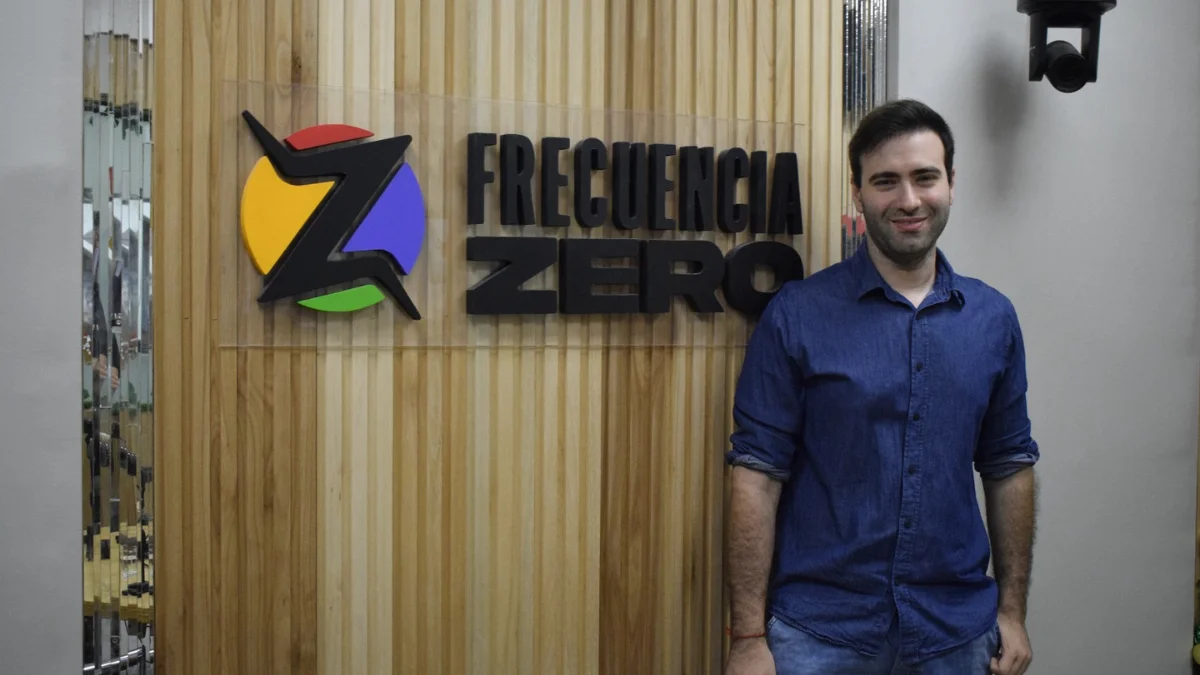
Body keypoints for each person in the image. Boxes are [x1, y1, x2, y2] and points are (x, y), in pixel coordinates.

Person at [722, 99, 1039, 675]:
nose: (909, 199)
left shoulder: (993, 319)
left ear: (951, 183)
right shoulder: (798, 313)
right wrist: (747, 636)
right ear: (858, 192)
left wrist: (1013, 611)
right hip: (819, 633)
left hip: (956, 633)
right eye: (886, 181)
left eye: (925, 177)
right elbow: (756, 476)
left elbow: (1009, 466)